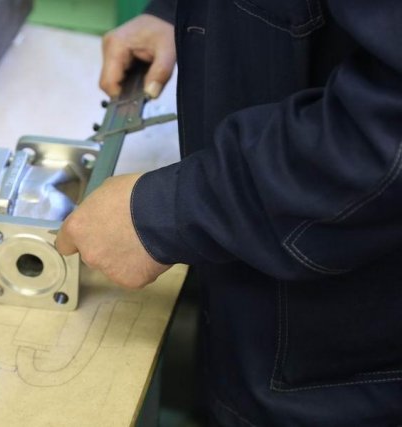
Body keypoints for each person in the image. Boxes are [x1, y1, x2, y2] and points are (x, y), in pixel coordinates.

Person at [55, 0, 402, 425]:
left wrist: (175, 209)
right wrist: (184, 15)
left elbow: (384, 136)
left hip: (344, 373)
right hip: (247, 294)